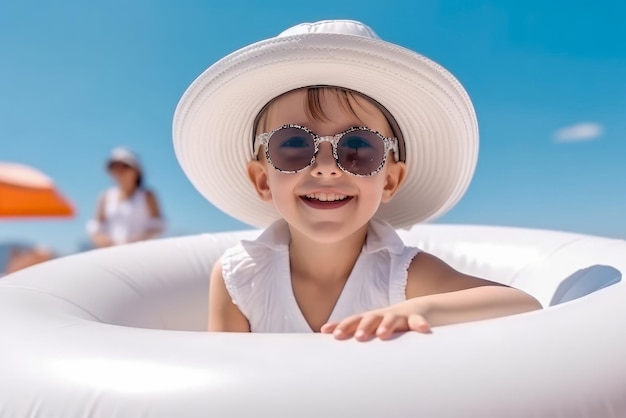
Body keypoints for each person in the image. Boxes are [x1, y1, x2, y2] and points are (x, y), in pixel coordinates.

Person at [173, 20, 542, 341]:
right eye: (294, 145)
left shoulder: (403, 275)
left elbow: (523, 304)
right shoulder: (239, 277)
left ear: (390, 180)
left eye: (358, 147)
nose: (326, 168)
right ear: (262, 180)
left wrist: (422, 310)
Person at [86, 147, 165, 248]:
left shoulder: (147, 195)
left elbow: (157, 226)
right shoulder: (105, 197)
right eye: (115, 168)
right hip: (111, 254)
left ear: (137, 171)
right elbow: (96, 229)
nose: (119, 172)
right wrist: (104, 241)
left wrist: (136, 241)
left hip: (142, 253)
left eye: (125, 167)